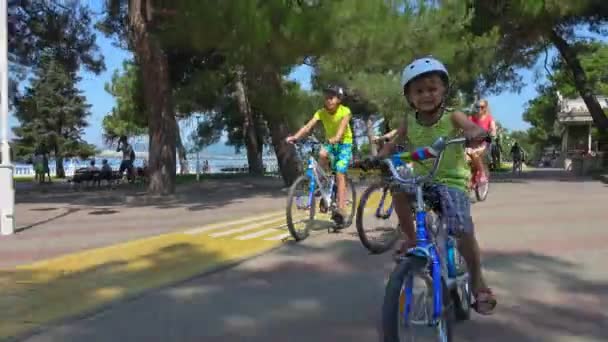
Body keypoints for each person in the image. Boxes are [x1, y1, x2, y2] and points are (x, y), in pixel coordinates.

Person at [375, 57, 497, 315]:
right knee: (397, 189)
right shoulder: (410, 121)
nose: (426, 95)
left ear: (444, 90)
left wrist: (475, 132)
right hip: (422, 181)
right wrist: (377, 158)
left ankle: (478, 283)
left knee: (461, 229)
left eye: (432, 88)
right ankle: (410, 238)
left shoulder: (453, 115)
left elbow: (470, 126)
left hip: (451, 183)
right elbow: (393, 144)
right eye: (418, 91)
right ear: (409, 97)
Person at [286, 85, 353, 222]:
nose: (328, 100)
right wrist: (296, 137)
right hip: (330, 142)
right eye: (326, 97)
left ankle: (341, 209)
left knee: (340, 171)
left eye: (331, 97)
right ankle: (326, 190)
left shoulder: (345, 111)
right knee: (322, 155)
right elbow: (308, 126)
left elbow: (341, 129)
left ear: (339, 100)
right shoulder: (321, 112)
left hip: (344, 144)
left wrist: (336, 138)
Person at [466, 99, 497, 185]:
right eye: (477, 107)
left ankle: (482, 173)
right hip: (471, 143)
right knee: (464, 157)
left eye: (482, 107)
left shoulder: (489, 119)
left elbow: (493, 129)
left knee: (475, 154)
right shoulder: (471, 118)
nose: (479, 109)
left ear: (485, 108)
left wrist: (493, 133)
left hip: (484, 143)